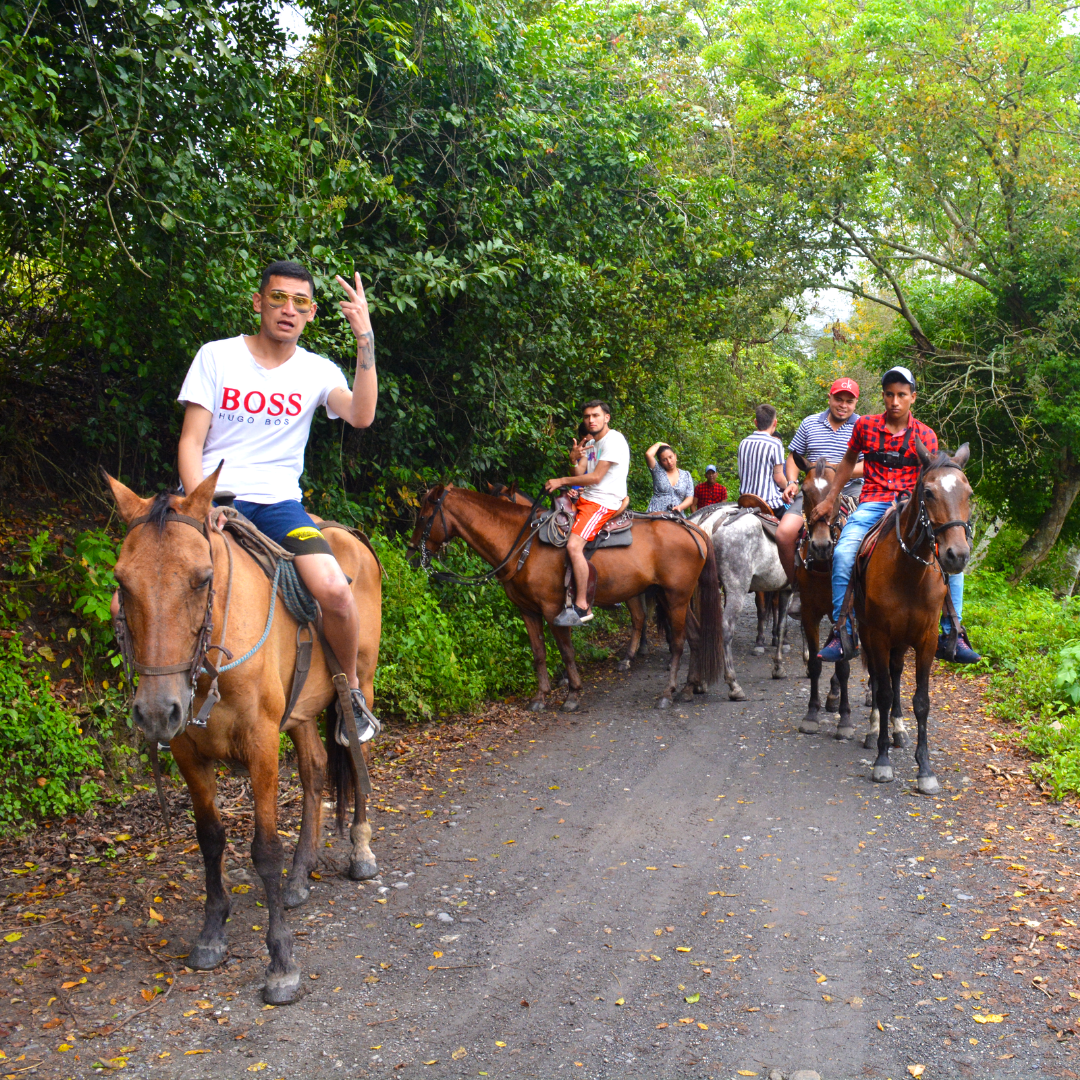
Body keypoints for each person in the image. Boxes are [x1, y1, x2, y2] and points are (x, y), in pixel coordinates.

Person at [175, 259, 381, 736]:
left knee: (334, 589)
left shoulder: (316, 371)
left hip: (278, 505)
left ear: (310, 314)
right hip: (212, 496)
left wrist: (364, 338)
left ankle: (349, 693)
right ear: (258, 303)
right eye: (278, 299)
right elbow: (190, 442)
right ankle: (151, 693)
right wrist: (200, 505)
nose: (288, 309)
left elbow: (362, 415)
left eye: (301, 302)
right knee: (133, 595)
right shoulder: (217, 356)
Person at [813, 366, 980, 664]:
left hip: (910, 508)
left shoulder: (925, 435)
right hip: (872, 503)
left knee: (948, 558)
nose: (895, 401)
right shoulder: (864, 426)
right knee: (843, 553)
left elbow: (931, 483)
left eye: (902, 395)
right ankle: (843, 631)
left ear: (912, 397)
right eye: (889, 395)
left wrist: (904, 505)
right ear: (883, 396)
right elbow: (849, 460)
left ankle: (952, 632)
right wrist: (830, 498)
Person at [776, 378, 864, 606]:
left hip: (850, 491)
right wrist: (792, 481)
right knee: (784, 534)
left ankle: (863, 591)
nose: (843, 405)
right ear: (830, 398)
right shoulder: (810, 423)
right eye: (839, 399)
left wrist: (838, 472)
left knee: (866, 537)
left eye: (849, 401)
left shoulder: (863, 426)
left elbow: (869, 465)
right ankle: (797, 587)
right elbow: (794, 457)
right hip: (813, 491)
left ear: (855, 403)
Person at [544, 400, 630, 627]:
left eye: (595, 415)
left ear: (607, 417)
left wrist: (562, 480)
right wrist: (573, 458)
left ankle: (582, 606)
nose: (591, 420)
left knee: (573, 545)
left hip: (603, 501)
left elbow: (595, 478)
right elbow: (580, 472)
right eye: (586, 417)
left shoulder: (614, 440)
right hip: (585, 498)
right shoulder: (592, 443)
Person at [737, 404, 792, 513]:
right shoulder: (775, 444)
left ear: (755, 422)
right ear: (775, 422)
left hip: (745, 501)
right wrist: (789, 487)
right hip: (768, 503)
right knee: (799, 522)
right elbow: (779, 478)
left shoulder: (743, 442)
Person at [645, 442, 694, 514]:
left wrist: (680, 507)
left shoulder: (686, 475)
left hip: (677, 514)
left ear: (675, 456)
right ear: (660, 462)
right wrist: (659, 443)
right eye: (664, 460)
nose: (669, 461)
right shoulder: (658, 470)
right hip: (656, 513)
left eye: (670, 457)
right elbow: (648, 455)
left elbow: (690, 498)